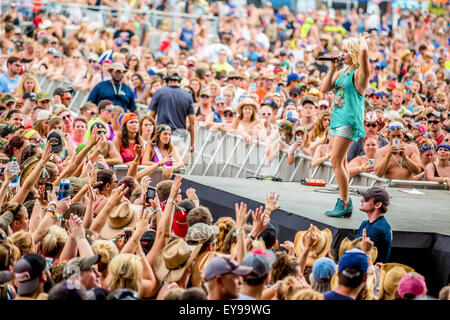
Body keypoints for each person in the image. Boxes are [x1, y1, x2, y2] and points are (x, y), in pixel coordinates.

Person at [322, 34, 372, 218]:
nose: (341, 54)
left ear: (353, 53)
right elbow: (324, 88)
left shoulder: (360, 73)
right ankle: (343, 201)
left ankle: (344, 202)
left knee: (335, 161)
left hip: (348, 120)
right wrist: (332, 69)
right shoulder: (342, 72)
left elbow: (365, 52)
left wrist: (362, 39)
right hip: (336, 119)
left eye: (345, 51)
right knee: (340, 162)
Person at [149, 69, 195, 154]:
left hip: (162, 135)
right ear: (179, 80)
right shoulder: (187, 95)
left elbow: (151, 117)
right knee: (178, 165)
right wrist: (192, 144)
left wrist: (150, 137)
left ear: (166, 80)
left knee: (161, 165)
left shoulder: (159, 92)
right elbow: (192, 122)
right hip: (180, 136)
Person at [356, 186, 392, 263]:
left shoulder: (378, 229)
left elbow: (356, 254)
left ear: (378, 205)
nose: (361, 200)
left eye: (366, 199)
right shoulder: (365, 223)